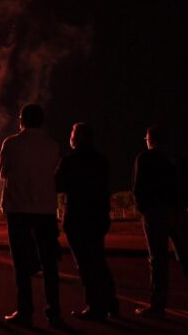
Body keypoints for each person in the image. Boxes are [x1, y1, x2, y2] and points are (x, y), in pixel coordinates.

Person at [132, 125, 188, 319]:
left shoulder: (145, 158)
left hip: (155, 215)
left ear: (151, 139)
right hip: (178, 214)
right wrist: (179, 205)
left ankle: (157, 305)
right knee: (187, 257)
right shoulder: (178, 160)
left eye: (146, 138)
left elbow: (138, 189)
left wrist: (145, 210)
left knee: (157, 260)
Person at [0, 104, 62, 328]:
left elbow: (2, 172)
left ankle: (25, 311)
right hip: (45, 209)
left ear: (22, 120)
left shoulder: (11, 143)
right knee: (49, 263)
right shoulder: (53, 146)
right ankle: (54, 311)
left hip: (18, 209)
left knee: (21, 263)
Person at [55, 122, 118, 320]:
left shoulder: (69, 161)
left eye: (72, 133)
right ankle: (111, 303)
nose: (70, 136)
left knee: (85, 264)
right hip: (98, 216)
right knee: (99, 259)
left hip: (77, 218)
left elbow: (56, 185)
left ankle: (95, 306)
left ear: (76, 137)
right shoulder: (101, 160)